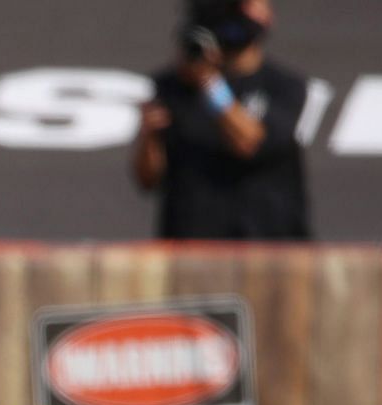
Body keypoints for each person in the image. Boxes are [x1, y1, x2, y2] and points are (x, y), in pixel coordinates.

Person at [132, 0, 311, 241]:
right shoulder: (172, 88)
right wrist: (149, 136)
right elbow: (148, 179)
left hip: (267, 244)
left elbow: (250, 143)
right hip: (193, 243)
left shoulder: (284, 87)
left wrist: (210, 85)